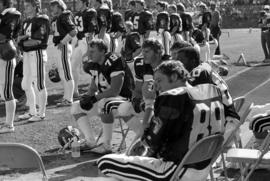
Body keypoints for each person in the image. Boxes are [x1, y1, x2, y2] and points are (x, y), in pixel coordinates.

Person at [97, 60, 226, 181]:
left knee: (105, 162)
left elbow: (150, 142)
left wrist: (149, 103)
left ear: (174, 77)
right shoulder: (210, 91)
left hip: (174, 169)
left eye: (159, 80)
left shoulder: (173, 97)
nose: (157, 87)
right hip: (203, 166)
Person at [71, 39, 134, 154]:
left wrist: (95, 98)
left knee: (104, 103)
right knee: (76, 107)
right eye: (89, 51)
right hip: (105, 100)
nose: (89, 54)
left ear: (103, 51)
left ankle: (107, 146)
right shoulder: (94, 64)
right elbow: (94, 87)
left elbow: (115, 91)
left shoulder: (114, 61)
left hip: (124, 101)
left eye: (93, 52)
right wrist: (88, 96)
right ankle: (91, 142)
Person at [17, 0, 50, 121]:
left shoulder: (42, 19)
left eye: (28, 6)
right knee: (25, 84)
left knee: (39, 84)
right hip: (27, 54)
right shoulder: (26, 21)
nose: (25, 8)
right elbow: (20, 39)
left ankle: (41, 114)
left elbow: (37, 41)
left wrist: (21, 41)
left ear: (35, 6)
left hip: (37, 54)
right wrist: (22, 40)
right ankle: (32, 111)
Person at [50, 0, 77, 106]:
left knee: (66, 73)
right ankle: (66, 97)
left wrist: (63, 42)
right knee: (62, 73)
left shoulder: (64, 15)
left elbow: (73, 31)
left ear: (59, 6)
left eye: (53, 6)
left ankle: (69, 99)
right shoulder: (57, 17)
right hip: (60, 46)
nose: (51, 8)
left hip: (64, 46)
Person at [0, 0, 22, 133]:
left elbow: (3, 35)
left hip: (6, 54)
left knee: (7, 91)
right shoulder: (5, 15)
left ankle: (9, 125)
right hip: (4, 53)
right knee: (3, 90)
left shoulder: (11, 14)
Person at [72, 0, 98, 98]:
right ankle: (74, 91)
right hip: (79, 41)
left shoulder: (91, 12)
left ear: (84, 2)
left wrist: (89, 48)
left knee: (91, 67)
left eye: (79, 2)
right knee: (73, 66)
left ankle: (97, 88)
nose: (77, 4)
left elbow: (91, 30)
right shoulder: (77, 14)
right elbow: (76, 31)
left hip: (87, 41)